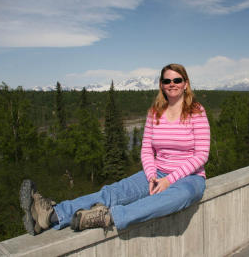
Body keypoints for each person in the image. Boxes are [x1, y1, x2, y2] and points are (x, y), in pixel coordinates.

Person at [19, 63, 210, 235]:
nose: (172, 84)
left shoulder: (196, 111)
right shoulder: (155, 112)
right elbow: (146, 149)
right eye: (167, 80)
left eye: (177, 80)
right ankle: (51, 214)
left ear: (185, 83)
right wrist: (152, 175)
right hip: (157, 172)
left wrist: (170, 180)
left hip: (189, 178)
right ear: (161, 84)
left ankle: (108, 216)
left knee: (178, 197)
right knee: (113, 192)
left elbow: (202, 154)